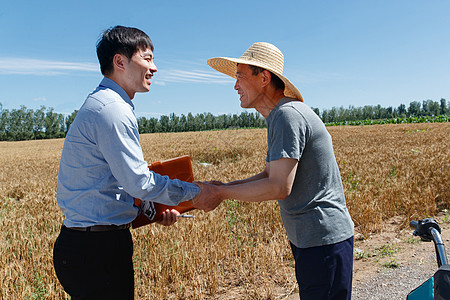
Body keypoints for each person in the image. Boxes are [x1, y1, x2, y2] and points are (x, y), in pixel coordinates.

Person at [192, 42, 355, 300]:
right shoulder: (280, 116)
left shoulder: (287, 115)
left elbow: (279, 186)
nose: (235, 86)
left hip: (322, 240)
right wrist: (223, 186)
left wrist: (221, 193)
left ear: (264, 78)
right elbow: (269, 175)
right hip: (314, 240)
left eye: (240, 76)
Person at [53, 25, 203, 299]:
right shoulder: (112, 110)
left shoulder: (104, 104)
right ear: (119, 61)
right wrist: (199, 193)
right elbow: (139, 183)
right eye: (147, 58)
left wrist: (154, 211)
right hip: (96, 250)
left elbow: (115, 186)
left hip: (91, 244)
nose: (154, 68)